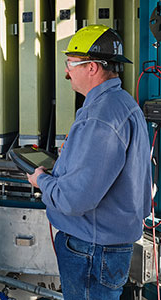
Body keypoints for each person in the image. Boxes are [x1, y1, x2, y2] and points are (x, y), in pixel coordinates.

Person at [27, 25, 151, 300]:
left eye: (71, 63)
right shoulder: (124, 104)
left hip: (91, 248)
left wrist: (41, 181)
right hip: (107, 243)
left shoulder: (100, 116)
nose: (66, 71)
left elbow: (75, 200)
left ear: (92, 67)